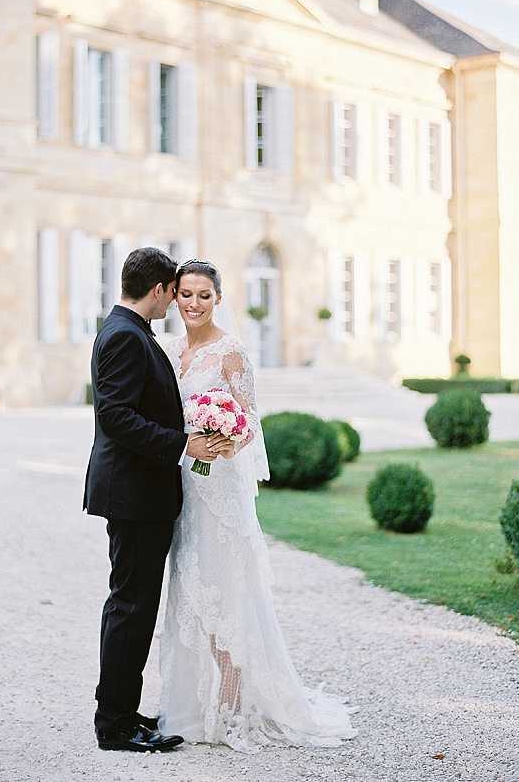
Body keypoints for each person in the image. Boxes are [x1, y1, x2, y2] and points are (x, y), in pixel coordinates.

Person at [158, 259, 356, 753]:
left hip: (219, 495)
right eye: (186, 294)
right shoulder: (172, 349)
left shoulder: (232, 353)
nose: (194, 303)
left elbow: (248, 424)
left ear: (218, 299)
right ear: (174, 296)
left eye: (205, 295)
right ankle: (198, 699)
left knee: (227, 591)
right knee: (195, 593)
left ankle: (231, 702)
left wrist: (223, 439)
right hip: (183, 489)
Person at [83, 248, 231, 753]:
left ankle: (121, 709)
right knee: (131, 606)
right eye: (175, 290)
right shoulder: (125, 335)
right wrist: (181, 443)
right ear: (159, 290)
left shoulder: (130, 329)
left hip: (139, 493)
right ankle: (115, 725)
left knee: (134, 606)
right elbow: (117, 417)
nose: (177, 299)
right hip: (133, 494)